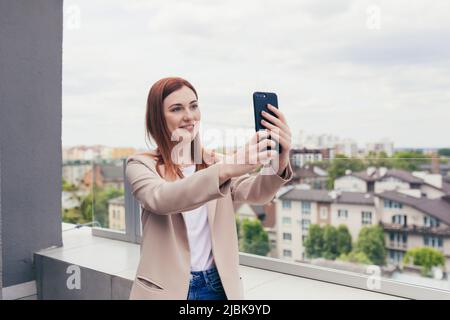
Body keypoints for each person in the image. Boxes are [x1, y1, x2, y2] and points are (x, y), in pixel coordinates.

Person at [125, 77, 293, 300]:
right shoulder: (140, 164)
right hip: (166, 290)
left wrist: (280, 160)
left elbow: (257, 192)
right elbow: (161, 198)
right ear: (158, 118)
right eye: (177, 109)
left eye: (194, 106)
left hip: (218, 286)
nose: (189, 116)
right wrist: (226, 168)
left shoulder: (215, 163)